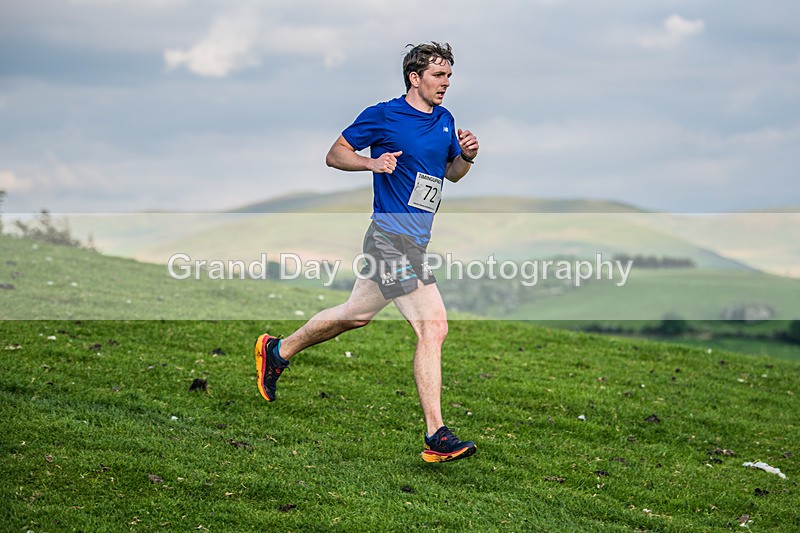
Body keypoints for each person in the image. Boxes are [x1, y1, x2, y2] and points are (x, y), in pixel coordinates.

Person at [255, 42, 479, 463]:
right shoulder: (383, 115)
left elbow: (452, 173)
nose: (446, 83)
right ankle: (436, 436)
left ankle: (277, 351)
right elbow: (335, 154)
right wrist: (371, 164)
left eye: (449, 76)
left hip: (414, 240)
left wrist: (467, 156)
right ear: (415, 78)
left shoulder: (446, 121)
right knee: (434, 327)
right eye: (438, 75)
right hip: (390, 239)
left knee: (356, 315)